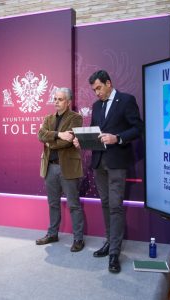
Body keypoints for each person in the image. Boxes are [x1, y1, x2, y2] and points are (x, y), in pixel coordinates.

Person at [74, 70, 143, 273]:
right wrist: (81, 140)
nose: (96, 93)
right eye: (94, 90)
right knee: (105, 204)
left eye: (99, 88)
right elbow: (95, 133)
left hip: (117, 162)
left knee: (115, 207)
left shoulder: (126, 100)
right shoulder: (96, 106)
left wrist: (117, 138)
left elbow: (138, 128)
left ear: (109, 83)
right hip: (99, 162)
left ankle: (114, 252)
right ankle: (109, 242)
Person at [36, 87, 85, 252]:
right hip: (50, 167)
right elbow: (40, 135)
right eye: (55, 99)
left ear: (68, 102)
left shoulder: (76, 118)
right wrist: (57, 134)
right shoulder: (48, 118)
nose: (56, 102)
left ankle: (78, 238)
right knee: (53, 203)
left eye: (60, 99)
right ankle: (52, 233)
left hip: (68, 167)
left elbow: (68, 141)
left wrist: (50, 141)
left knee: (73, 205)